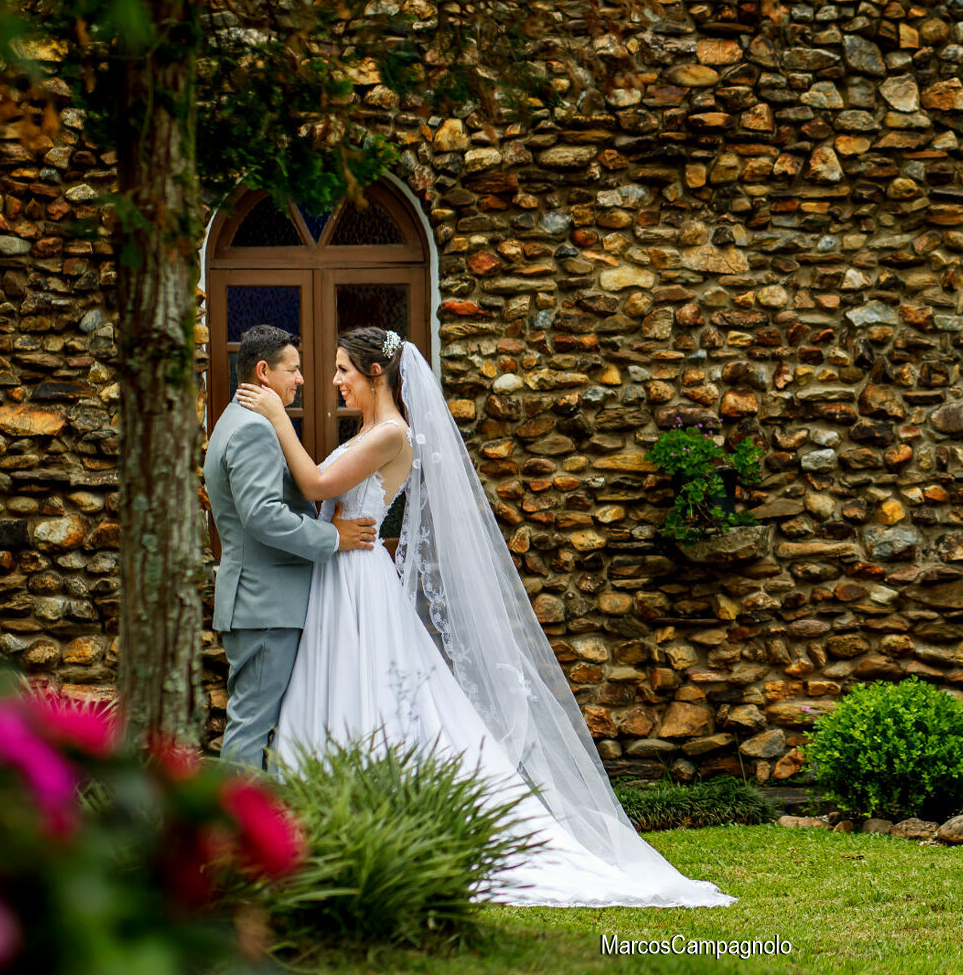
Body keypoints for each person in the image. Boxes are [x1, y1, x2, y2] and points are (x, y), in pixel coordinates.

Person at [234, 326, 733, 908]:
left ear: (376, 374)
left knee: (370, 696)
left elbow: (318, 482)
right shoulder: (366, 431)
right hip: (338, 574)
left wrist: (275, 415)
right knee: (339, 693)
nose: (336, 380)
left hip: (358, 583)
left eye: (344, 368)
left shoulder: (391, 434)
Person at [204, 325, 378, 771]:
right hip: (265, 605)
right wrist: (334, 538)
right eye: (293, 369)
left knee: (260, 728)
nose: (301, 379)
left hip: (261, 602)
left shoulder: (231, 420)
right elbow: (263, 515)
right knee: (251, 729)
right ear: (263, 372)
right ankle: (232, 834)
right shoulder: (253, 430)